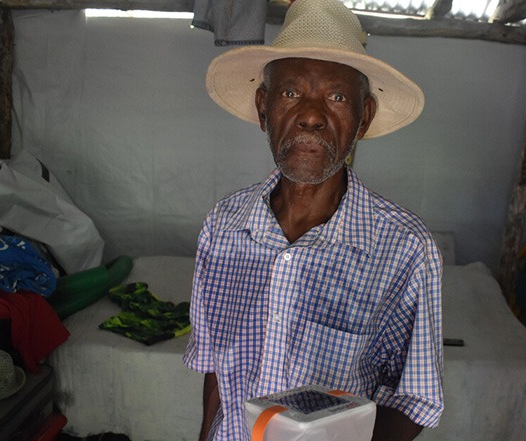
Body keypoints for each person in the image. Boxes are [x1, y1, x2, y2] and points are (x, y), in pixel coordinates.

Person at [182, 0, 444, 440]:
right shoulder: (223, 226)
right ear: (264, 109)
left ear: (364, 119)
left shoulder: (404, 248)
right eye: (290, 93)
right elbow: (213, 367)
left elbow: (416, 401)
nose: (310, 115)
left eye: (337, 97)